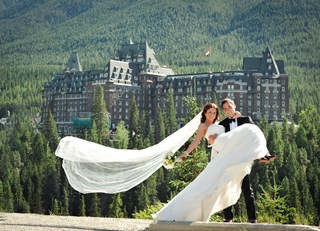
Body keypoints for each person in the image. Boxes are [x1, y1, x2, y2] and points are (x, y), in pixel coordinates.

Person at [152, 102, 269, 222]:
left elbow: (242, 136)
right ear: (205, 113)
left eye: (214, 112)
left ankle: (252, 218)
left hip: (234, 158)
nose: (212, 114)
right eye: (209, 112)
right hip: (220, 158)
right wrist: (185, 154)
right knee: (217, 186)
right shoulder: (203, 126)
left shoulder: (222, 123)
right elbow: (195, 142)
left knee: (245, 187)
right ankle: (227, 217)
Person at [213, 98, 275, 223]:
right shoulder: (222, 124)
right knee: (226, 188)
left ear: (234, 106)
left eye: (229, 107)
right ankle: (228, 217)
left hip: (243, 160)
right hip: (229, 161)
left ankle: (252, 218)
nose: (228, 110)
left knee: (247, 189)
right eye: (225, 109)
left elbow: (256, 135)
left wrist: (241, 117)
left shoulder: (246, 120)